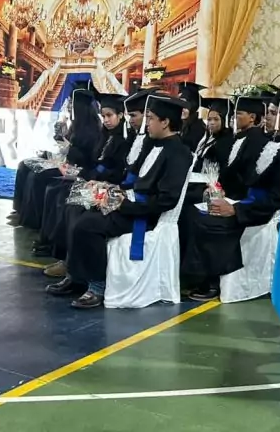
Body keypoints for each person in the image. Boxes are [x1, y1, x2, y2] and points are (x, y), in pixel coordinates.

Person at [47, 94, 194, 309]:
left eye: (151, 118)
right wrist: (111, 188)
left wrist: (124, 205)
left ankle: (97, 286)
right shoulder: (152, 144)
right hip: (131, 201)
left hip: (144, 214)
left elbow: (166, 201)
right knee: (76, 206)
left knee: (88, 225)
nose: (147, 122)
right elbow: (136, 182)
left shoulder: (179, 154)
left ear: (165, 122)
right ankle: (75, 274)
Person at [181, 90, 280, 301]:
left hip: (264, 210)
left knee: (208, 222)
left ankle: (212, 280)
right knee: (197, 214)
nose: (268, 116)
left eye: (273, 113)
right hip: (250, 201)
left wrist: (235, 209)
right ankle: (200, 276)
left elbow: (277, 196)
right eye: (268, 112)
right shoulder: (271, 142)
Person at [42, 88, 157, 280]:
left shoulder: (144, 143)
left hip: (133, 199)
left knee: (79, 208)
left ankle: (80, 273)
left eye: (136, 116)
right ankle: (66, 259)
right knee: (70, 200)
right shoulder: (133, 139)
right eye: (103, 115)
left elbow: (124, 173)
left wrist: (109, 186)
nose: (132, 120)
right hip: (117, 188)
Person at [38, 91, 130, 262]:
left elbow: (114, 171)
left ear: (121, 115)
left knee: (69, 201)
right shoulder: (104, 134)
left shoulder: (124, 140)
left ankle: (67, 259)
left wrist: (88, 176)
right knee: (56, 191)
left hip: (108, 185)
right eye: (104, 116)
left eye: (110, 115)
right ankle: (54, 247)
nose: (106, 120)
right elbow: (95, 162)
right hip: (93, 179)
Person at [12, 82, 103, 248]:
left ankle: (35, 221)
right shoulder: (75, 124)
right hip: (67, 163)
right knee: (26, 165)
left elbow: (83, 157)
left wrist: (66, 150)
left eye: (70, 104)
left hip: (80, 169)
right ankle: (21, 211)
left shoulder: (92, 129)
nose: (68, 107)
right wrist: (60, 140)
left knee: (39, 176)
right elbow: (67, 150)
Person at [177, 81, 207, 152]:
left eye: (185, 106)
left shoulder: (199, 128)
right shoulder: (178, 124)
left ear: (193, 106)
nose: (181, 109)